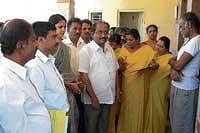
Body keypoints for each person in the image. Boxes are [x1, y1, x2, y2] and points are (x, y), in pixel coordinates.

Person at [0, 19, 51, 133]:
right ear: (21, 45)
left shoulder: (21, 72)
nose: (37, 44)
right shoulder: (7, 84)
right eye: (33, 40)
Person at [26, 21, 70, 133]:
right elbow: (37, 104)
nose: (57, 40)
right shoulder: (35, 66)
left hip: (58, 119)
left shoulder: (49, 61)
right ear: (40, 40)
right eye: (53, 37)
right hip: (48, 122)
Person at [79, 21, 119, 133]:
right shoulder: (86, 51)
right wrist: (93, 97)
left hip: (108, 97)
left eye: (106, 32)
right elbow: (84, 75)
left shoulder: (109, 49)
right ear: (92, 33)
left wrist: (117, 90)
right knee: (91, 128)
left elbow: (114, 70)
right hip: (92, 100)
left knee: (104, 128)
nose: (103, 35)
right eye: (100, 32)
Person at [117, 28, 156, 133]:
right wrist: (120, 63)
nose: (128, 42)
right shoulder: (124, 49)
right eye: (127, 40)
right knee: (127, 107)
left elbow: (154, 63)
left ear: (138, 39)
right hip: (128, 83)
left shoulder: (147, 49)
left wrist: (152, 65)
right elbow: (120, 62)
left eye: (131, 40)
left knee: (138, 107)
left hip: (141, 84)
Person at [168, 12, 200, 133]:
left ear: (189, 25)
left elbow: (178, 64)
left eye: (181, 26)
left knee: (182, 124)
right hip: (178, 85)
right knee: (175, 121)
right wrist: (173, 66)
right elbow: (176, 62)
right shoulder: (188, 41)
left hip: (186, 88)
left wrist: (172, 63)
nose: (180, 30)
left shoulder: (196, 41)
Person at [55, 17, 84, 133]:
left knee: (76, 121)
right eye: (59, 27)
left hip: (77, 88)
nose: (62, 29)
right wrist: (68, 84)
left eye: (64, 27)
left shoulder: (84, 45)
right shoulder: (48, 50)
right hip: (59, 93)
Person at [144, 36, 174, 133]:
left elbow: (171, 77)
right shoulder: (154, 55)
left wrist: (169, 91)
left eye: (161, 47)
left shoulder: (170, 58)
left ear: (166, 49)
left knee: (159, 111)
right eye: (157, 45)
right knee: (149, 110)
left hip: (161, 89)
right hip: (150, 87)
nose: (158, 48)